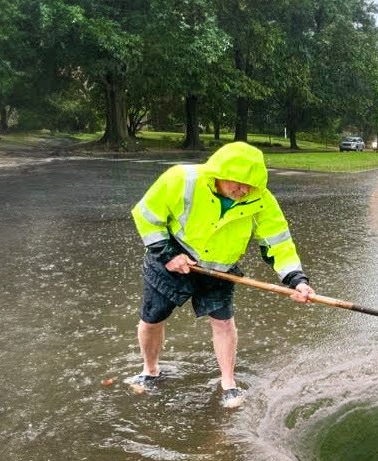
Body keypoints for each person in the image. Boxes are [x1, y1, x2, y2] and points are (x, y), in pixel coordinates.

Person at [127, 141, 315, 409]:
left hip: (220, 270)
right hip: (172, 257)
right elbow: (147, 216)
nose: (242, 190)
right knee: (152, 318)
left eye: (249, 185)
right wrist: (168, 255)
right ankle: (150, 370)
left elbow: (278, 243)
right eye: (236, 183)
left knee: (224, 323)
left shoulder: (261, 199)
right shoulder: (182, 179)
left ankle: (228, 382)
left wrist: (297, 280)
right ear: (217, 173)